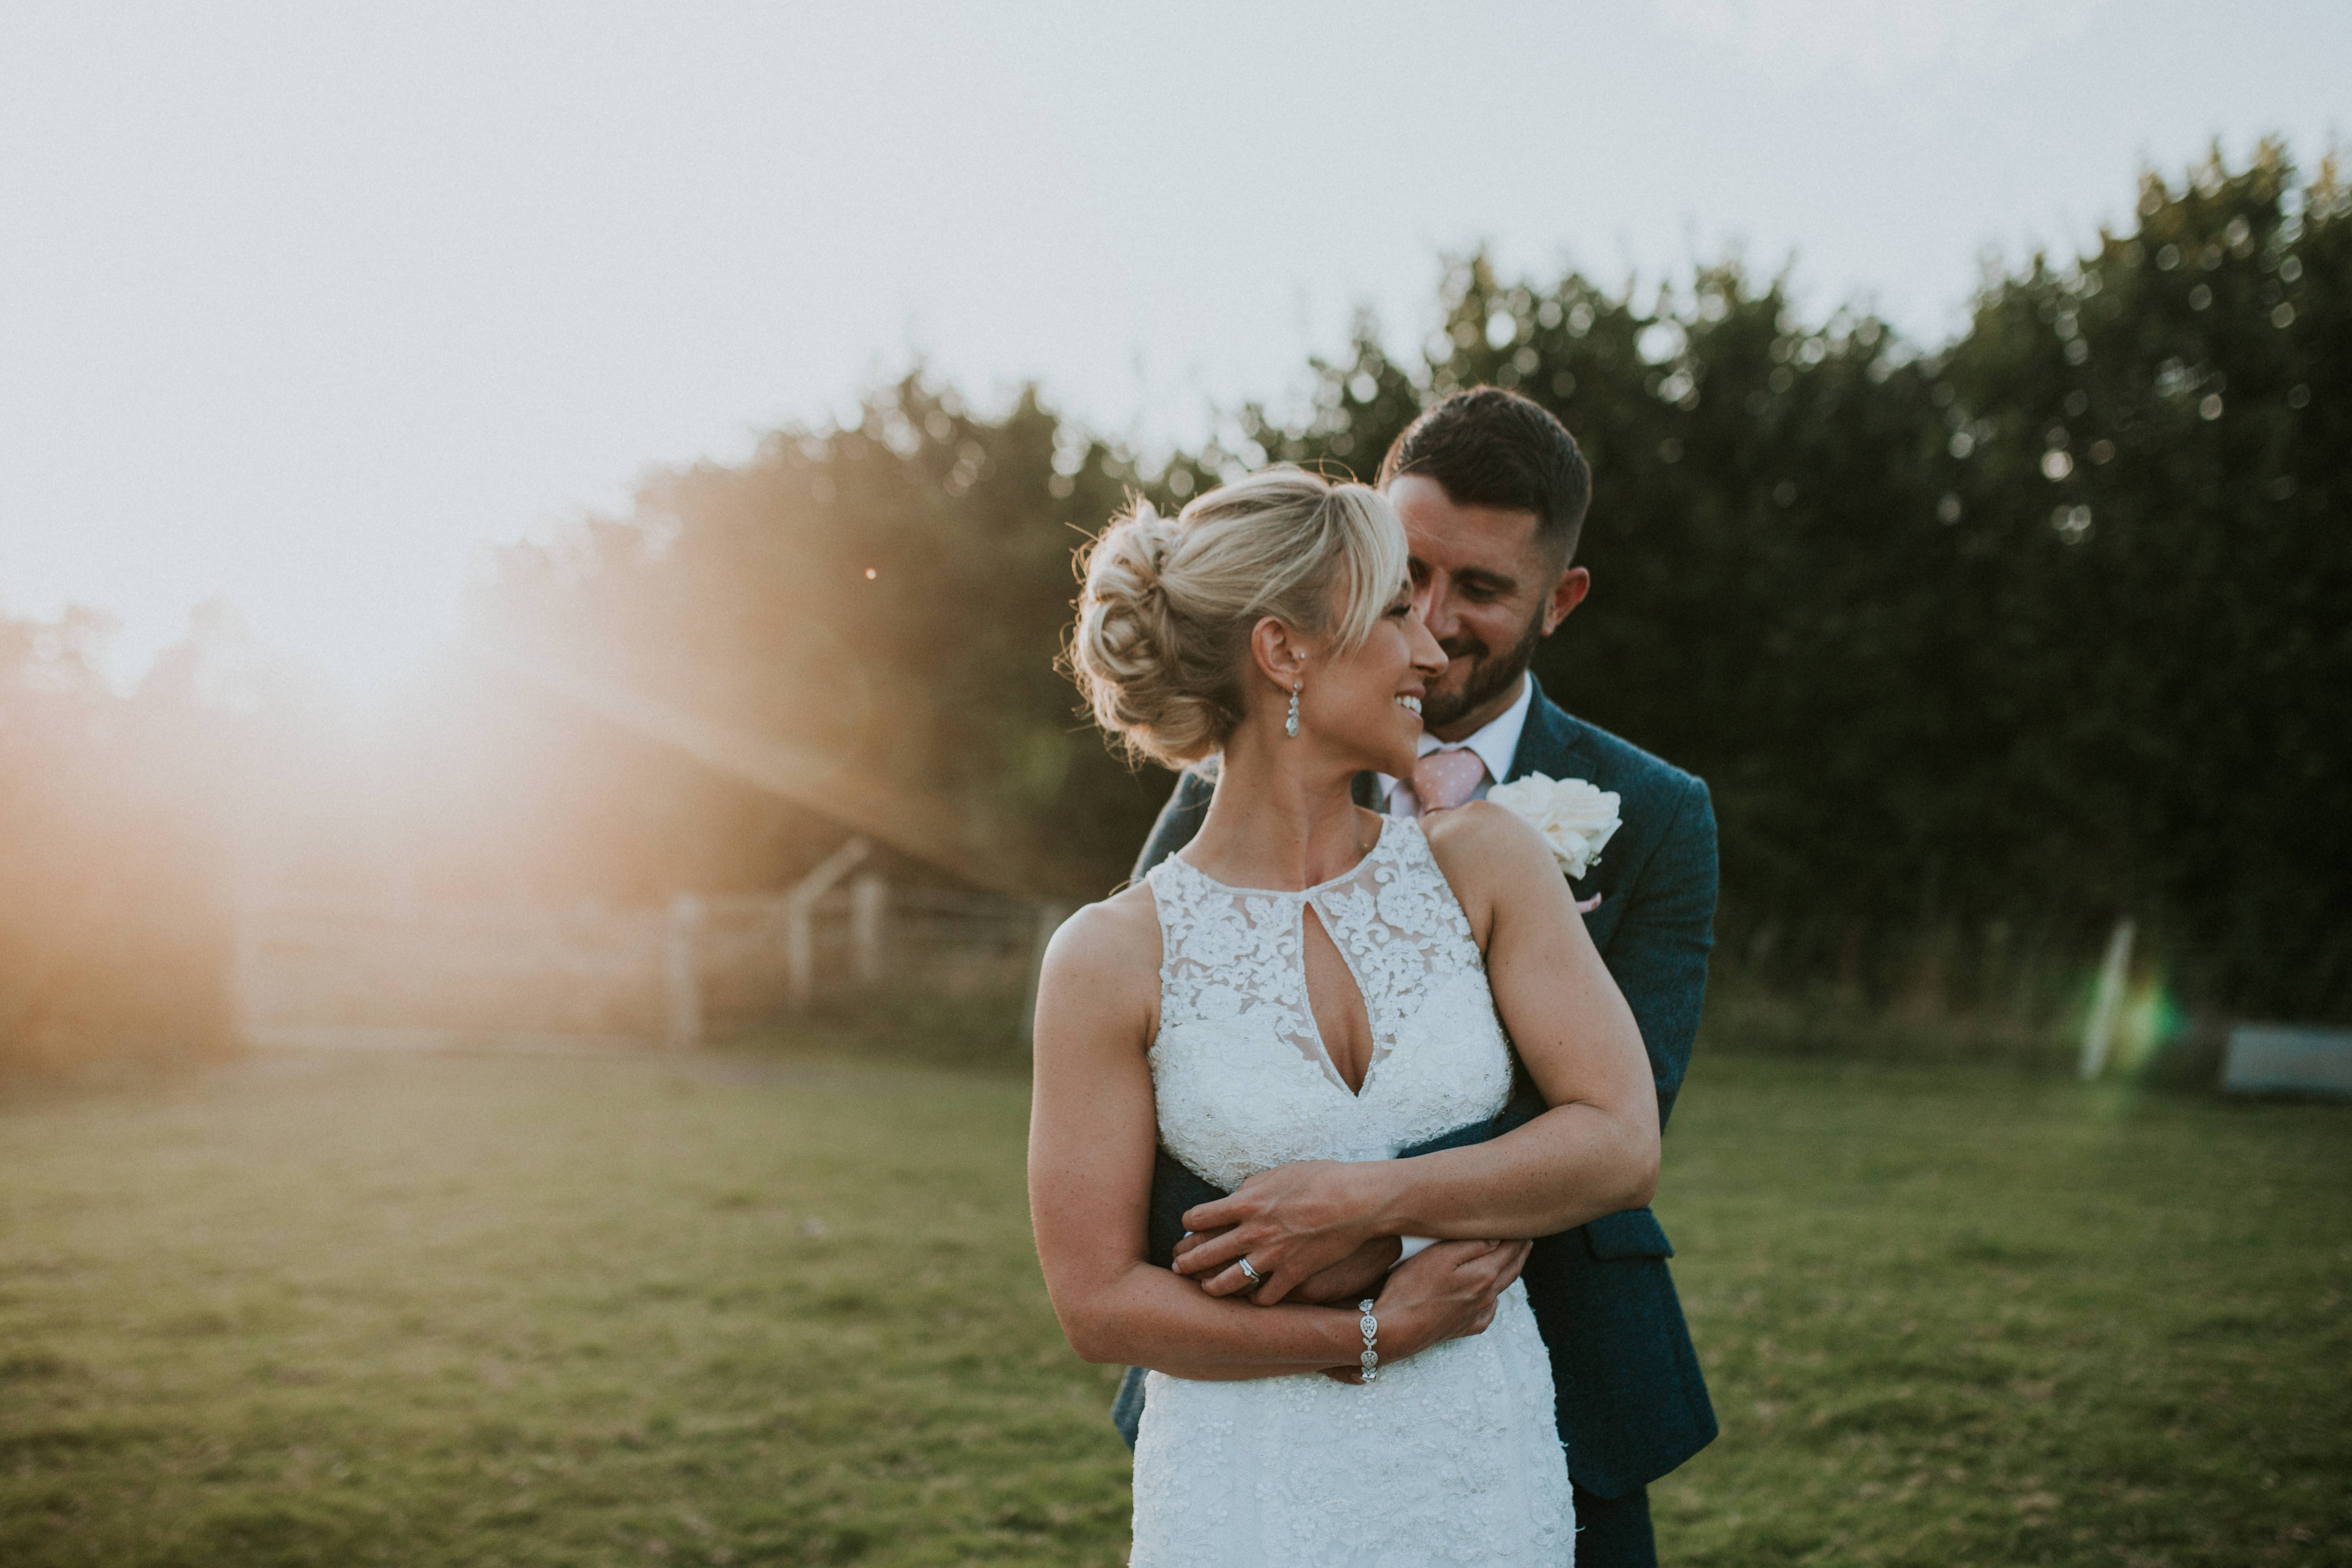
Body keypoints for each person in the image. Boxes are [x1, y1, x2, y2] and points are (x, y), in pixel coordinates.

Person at [1110, 388, 1720, 1568]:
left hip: (1550, 1369)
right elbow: (1166, 1070)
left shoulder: (1649, 815)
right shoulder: (1205, 805)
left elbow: (1612, 1109)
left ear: (1560, 599)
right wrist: (1313, 1298)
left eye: (1479, 590)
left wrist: (1350, 1207)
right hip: (1262, 1380)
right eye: (1403, 580)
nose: (1432, 627)